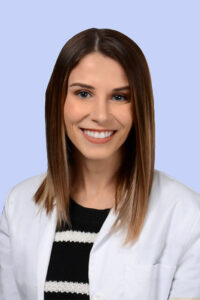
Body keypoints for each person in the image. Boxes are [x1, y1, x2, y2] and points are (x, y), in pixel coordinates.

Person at [0, 28, 200, 300]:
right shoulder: (19, 205)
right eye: (83, 93)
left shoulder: (187, 215)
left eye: (119, 97)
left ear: (139, 107)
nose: (101, 115)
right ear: (58, 100)